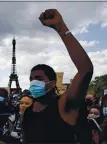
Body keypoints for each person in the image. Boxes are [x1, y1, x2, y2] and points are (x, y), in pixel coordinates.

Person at [22, 9, 93, 144]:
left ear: (53, 83)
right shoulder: (28, 112)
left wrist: (60, 27)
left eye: (39, 78)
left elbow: (85, 69)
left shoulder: (63, 105)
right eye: (31, 79)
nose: (33, 83)